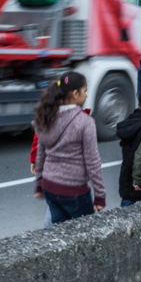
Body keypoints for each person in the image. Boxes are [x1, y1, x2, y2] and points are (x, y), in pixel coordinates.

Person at [34, 72, 107, 223]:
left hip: (49, 186)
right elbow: (92, 161)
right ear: (75, 94)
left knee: (59, 234)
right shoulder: (85, 122)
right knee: (88, 235)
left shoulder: (45, 117)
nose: (86, 95)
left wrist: (39, 184)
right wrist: (100, 195)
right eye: (85, 91)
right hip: (74, 191)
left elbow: (40, 154)